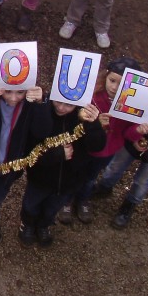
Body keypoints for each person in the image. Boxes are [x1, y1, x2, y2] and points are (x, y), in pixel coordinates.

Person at [94, 59, 148, 229]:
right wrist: (135, 135)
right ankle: (104, 187)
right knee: (115, 166)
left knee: (142, 181)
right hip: (133, 137)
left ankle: (128, 206)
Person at [0, 84, 51, 245]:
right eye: (8, 92)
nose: (13, 98)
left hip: (11, 167)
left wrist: (41, 104)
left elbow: (42, 132)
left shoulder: (30, 106)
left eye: (20, 92)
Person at [17, 100, 104, 249]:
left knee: (52, 208)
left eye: (68, 105)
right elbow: (29, 150)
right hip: (41, 177)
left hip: (69, 180)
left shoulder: (83, 118)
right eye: (58, 102)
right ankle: (28, 225)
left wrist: (93, 124)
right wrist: (56, 154)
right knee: (31, 205)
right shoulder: (43, 114)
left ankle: (44, 226)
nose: (62, 108)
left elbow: (97, 146)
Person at [63, 56, 140, 224]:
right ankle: (67, 200)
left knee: (91, 177)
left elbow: (129, 135)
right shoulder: (93, 96)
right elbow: (75, 119)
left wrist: (139, 130)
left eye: (121, 84)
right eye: (112, 80)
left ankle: (83, 199)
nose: (114, 87)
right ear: (106, 76)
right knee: (74, 172)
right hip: (84, 146)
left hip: (108, 150)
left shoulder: (132, 106)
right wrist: (93, 123)